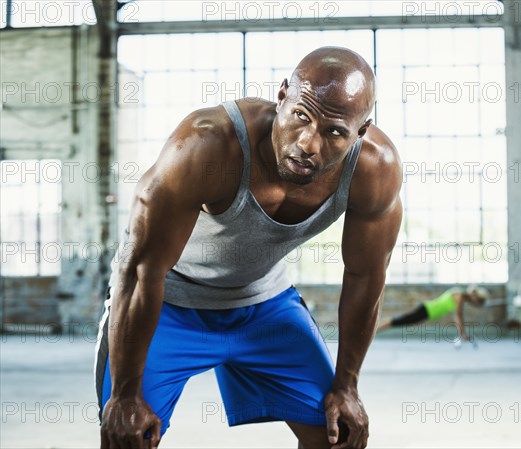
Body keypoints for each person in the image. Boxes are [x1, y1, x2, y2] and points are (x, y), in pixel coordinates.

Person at [95, 46, 403, 449]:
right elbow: (140, 271)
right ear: (282, 96)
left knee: (339, 434)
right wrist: (124, 396)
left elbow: (365, 277)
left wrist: (347, 386)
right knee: (127, 435)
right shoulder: (207, 145)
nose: (310, 143)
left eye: (334, 133)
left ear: (360, 133)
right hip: (167, 301)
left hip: (263, 303)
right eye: (301, 116)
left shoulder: (374, 170)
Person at [377, 286, 489, 341]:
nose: (476, 304)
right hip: (426, 309)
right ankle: (375, 329)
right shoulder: (459, 296)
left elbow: (457, 316)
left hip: (426, 312)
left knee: (401, 321)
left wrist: (462, 332)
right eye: (478, 302)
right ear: (475, 297)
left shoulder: (460, 296)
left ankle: (375, 328)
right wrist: (462, 333)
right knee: (399, 321)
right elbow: (458, 316)